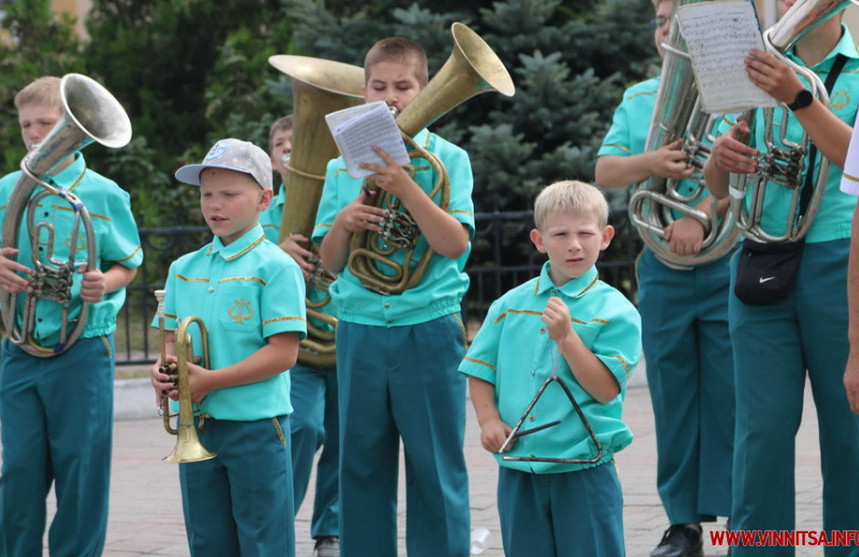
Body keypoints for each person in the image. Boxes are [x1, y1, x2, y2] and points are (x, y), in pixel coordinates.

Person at [704, 2, 859, 554]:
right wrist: (722, 158)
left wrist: (798, 98)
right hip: (763, 259)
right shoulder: (760, 65)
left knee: (850, 436)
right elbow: (718, 188)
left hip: (841, 265)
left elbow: (856, 159)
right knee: (761, 436)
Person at [312, 36, 473, 557]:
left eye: (403, 86)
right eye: (378, 86)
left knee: (434, 466)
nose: (390, 96)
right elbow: (330, 262)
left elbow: (454, 243)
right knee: (358, 464)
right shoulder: (341, 167)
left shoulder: (449, 159)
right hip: (360, 328)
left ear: (424, 90)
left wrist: (407, 188)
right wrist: (343, 221)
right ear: (362, 93)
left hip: (427, 327)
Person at [594, 1, 735, 554]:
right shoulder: (637, 100)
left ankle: (740, 511)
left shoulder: (737, 94)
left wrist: (699, 217)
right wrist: (652, 164)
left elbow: (753, 174)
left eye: (679, 19)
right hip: (664, 269)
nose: (667, 30)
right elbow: (606, 172)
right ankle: (684, 524)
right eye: (660, 22)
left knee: (730, 394)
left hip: (726, 260)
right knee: (672, 397)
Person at [0, 75, 143, 556]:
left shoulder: (104, 194)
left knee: (81, 470)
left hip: (83, 348)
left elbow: (129, 261)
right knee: (18, 470)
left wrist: (108, 281)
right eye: (26, 125)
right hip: (19, 348)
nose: (36, 134)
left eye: (47, 123)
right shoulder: (5, 190)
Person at [459, 180, 641, 557]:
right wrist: (488, 420)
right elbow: (480, 370)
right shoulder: (509, 305)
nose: (574, 244)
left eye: (585, 233)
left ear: (606, 237)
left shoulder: (616, 311)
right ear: (539, 240)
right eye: (560, 234)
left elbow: (606, 390)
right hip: (519, 466)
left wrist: (567, 339)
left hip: (585, 469)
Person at [150, 138, 307, 557]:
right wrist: (164, 370)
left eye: (230, 194)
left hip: (256, 427)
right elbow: (170, 339)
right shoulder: (184, 269)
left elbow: (283, 353)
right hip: (198, 425)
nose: (214, 204)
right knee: (208, 540)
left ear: (264, 199)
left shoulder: (276, 267)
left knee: (263, 540)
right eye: (206, 194)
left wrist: (209, 381)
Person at [261, 114, 341, 557]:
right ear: (271, 159)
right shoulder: (262, 214)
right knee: (303, 427)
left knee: (344, 435)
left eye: (301, 143)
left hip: (344, 336)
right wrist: (276, 254)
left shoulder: (343, 192)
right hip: (299, 348)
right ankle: (278, 520)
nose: (290, 151)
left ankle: (330, 530)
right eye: (281, 145)